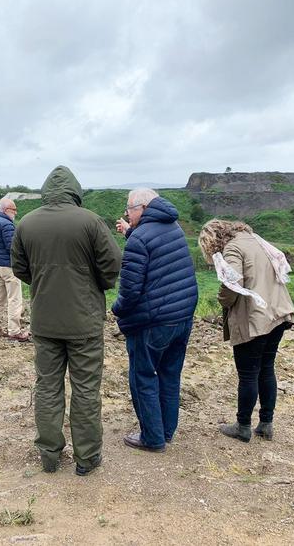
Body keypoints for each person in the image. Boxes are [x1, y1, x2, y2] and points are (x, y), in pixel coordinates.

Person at [11, 166, 121, 476]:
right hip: (83, 320)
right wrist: (94, 283)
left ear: (46, 191)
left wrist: (43, 282)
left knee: (47, 387)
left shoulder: (26, 223)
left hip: (45, 320)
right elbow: (112, 264)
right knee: (85, 389)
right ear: (75, 191)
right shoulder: (91, 222)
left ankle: (49, 455)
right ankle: (87, 458)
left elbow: (20, 267)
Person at [112, 189, 198, 452]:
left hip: (153, 321)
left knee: (144, 376)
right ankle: (167, 431)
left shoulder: (139, 239)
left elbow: (129, 291)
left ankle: (152, 437)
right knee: (170, 375)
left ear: (143, 208)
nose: (127, 213)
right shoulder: (173, 227)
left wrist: (116, 310)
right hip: (182, 316)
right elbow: (154, 246)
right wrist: (130, 231)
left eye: (130, 209)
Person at [198, 219, 294, 443]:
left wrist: (222, 300)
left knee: (248, 374)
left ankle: (242, 426)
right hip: (277, 313)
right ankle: (266, 424)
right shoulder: (255, 240)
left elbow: (233, 282)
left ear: (213, 240)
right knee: (266, 368)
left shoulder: (233, 247)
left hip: (255, 318)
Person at [0, 197, 28, 341]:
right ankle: (14, 331)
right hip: (9, 266)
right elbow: (13, 247)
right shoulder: (7, 225)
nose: (15, 213)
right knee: (14, 298)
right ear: (6, 210)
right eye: (13, 210)